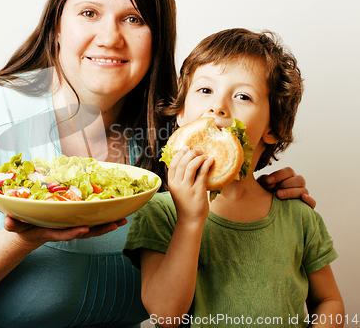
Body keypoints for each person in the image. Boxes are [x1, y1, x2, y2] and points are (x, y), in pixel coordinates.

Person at [0, 0, 311, 328]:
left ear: (157, 38)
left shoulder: (174, 140)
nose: (110, 37)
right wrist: (19, 239)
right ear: (57, 25)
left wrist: (260, 191)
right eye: (89, 13)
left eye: (134, 19)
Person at [123, 28, 344, 328]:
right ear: (182, 113)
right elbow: (165, 315)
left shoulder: (298, 216)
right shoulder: (161, 212)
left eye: (243, 96)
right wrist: (189, 219)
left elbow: (328, 301)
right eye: (205, 90)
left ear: (273, 128)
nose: (219, 106)